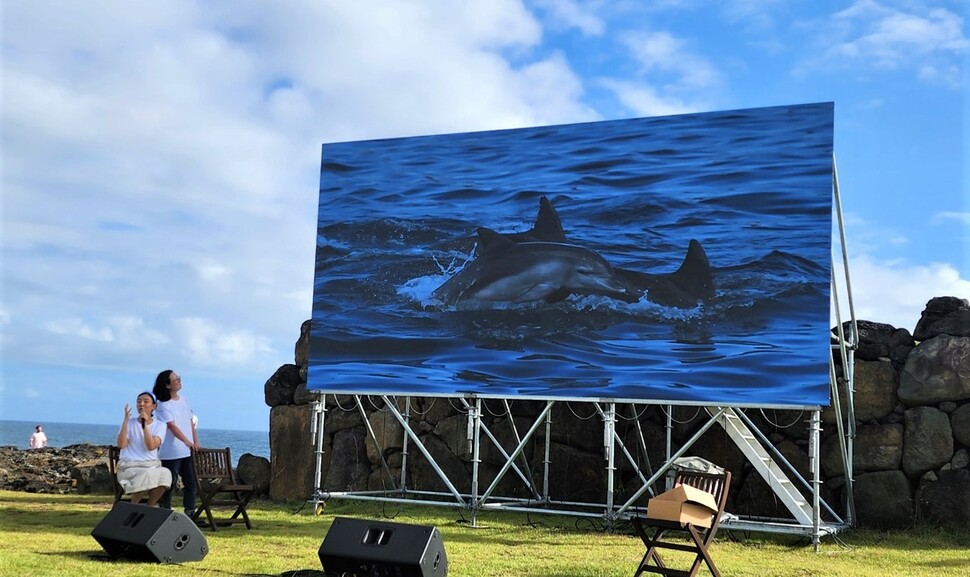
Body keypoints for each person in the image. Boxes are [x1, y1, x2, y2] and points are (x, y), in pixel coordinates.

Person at [153, 370, 200, 516]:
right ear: (167, 385)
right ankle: (164, 510)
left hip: (186, 451)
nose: (179, 381)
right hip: (171, 451)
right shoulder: (162, 405)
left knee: (191, 483)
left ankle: (190, 512)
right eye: (175, 380)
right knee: (170, 483)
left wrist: (195, 441)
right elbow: (171, 426)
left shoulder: (184, 400)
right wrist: (186, 441)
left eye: (179, 379)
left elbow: (190, 422)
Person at [116, 391, 172, 506]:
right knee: (147, 474)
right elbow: (121, 445)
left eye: (146, 401)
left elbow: (151, 446)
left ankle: (149, 507)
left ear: (153, 406)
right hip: (129, 467)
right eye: (139, 402)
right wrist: (126, 421)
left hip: (150, 465)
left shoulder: (160, 425)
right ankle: (133, 506)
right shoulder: (128, 423)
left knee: (165, 473)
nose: (141, 404)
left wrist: (145, 425)